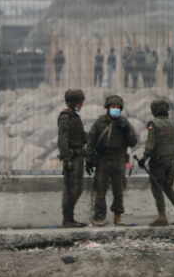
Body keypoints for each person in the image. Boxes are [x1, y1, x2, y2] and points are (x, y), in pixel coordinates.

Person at [85, 94, 137, 226]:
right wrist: (89, 159)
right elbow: (91, 141)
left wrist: (126, 129)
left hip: (119, 159)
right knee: (100, 189)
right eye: (113, 106)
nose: (115, 109)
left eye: (118, 107)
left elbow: (133, 142)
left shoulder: (124, 123)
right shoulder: (100, 122)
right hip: (103, 159)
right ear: (107, 108)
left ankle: (118, 216)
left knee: (118, 190)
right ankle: (99, 216)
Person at [141, 98, 174, 227]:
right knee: (168, 188)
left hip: (158, 162)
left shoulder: (153, 124)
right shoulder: (172, 123)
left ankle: (162, 216)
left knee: (157, 188)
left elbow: (150, 144)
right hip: (171, 161)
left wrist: (144, 158)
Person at [57, 89, 88, 228]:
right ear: (75, 102)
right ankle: (68, 220)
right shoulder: (66, 117)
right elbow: (63, 139)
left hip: (78, 156)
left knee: (77, 188)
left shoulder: (74, 116)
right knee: (71, 189)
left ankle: (70, 218)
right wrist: (67, 158)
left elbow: (80, 136)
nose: (82, 104)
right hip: (72, 158)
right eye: (80, 101)